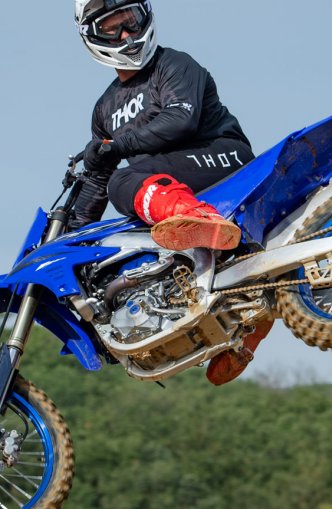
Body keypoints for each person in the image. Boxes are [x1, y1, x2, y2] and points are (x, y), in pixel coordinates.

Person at [71, 0, 267, 385]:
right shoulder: (105, 108)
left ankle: (195, 219)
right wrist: (72, 240)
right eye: (112, 27)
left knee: (123, 182)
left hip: (224, 158)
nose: (126, 34)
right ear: (94, 37)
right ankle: (245, 332)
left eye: (130, 21)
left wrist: (115, 147)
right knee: (125, 225)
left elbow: (181, 119)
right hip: (175, 184)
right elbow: (95, 182)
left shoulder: (173, 64)